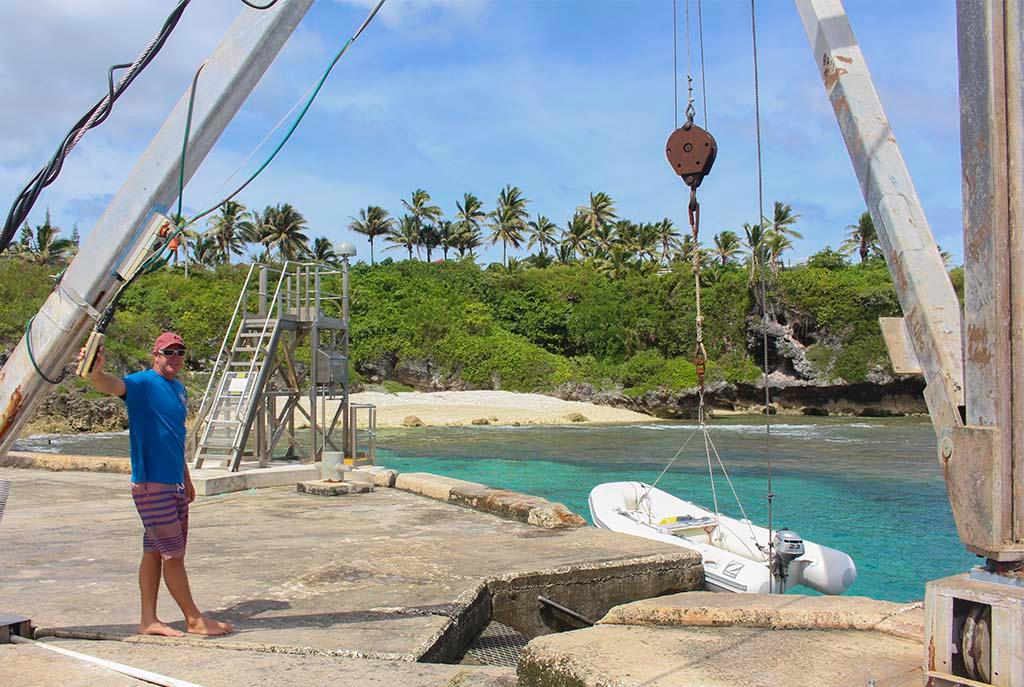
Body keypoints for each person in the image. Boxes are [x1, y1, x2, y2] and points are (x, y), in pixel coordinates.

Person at [82, 331, 233, 637]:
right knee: (173, 555)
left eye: (180, 352)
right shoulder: (143, 383)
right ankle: (194, 619)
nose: (175, 358)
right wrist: (95, 370)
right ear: (156, 355)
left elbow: (174, 437)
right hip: (153, 485)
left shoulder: (179, 389)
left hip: (173, 482)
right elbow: (108, 384)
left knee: (154, 551)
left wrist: (186, 478)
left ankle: (148, 620)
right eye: (169, 352)